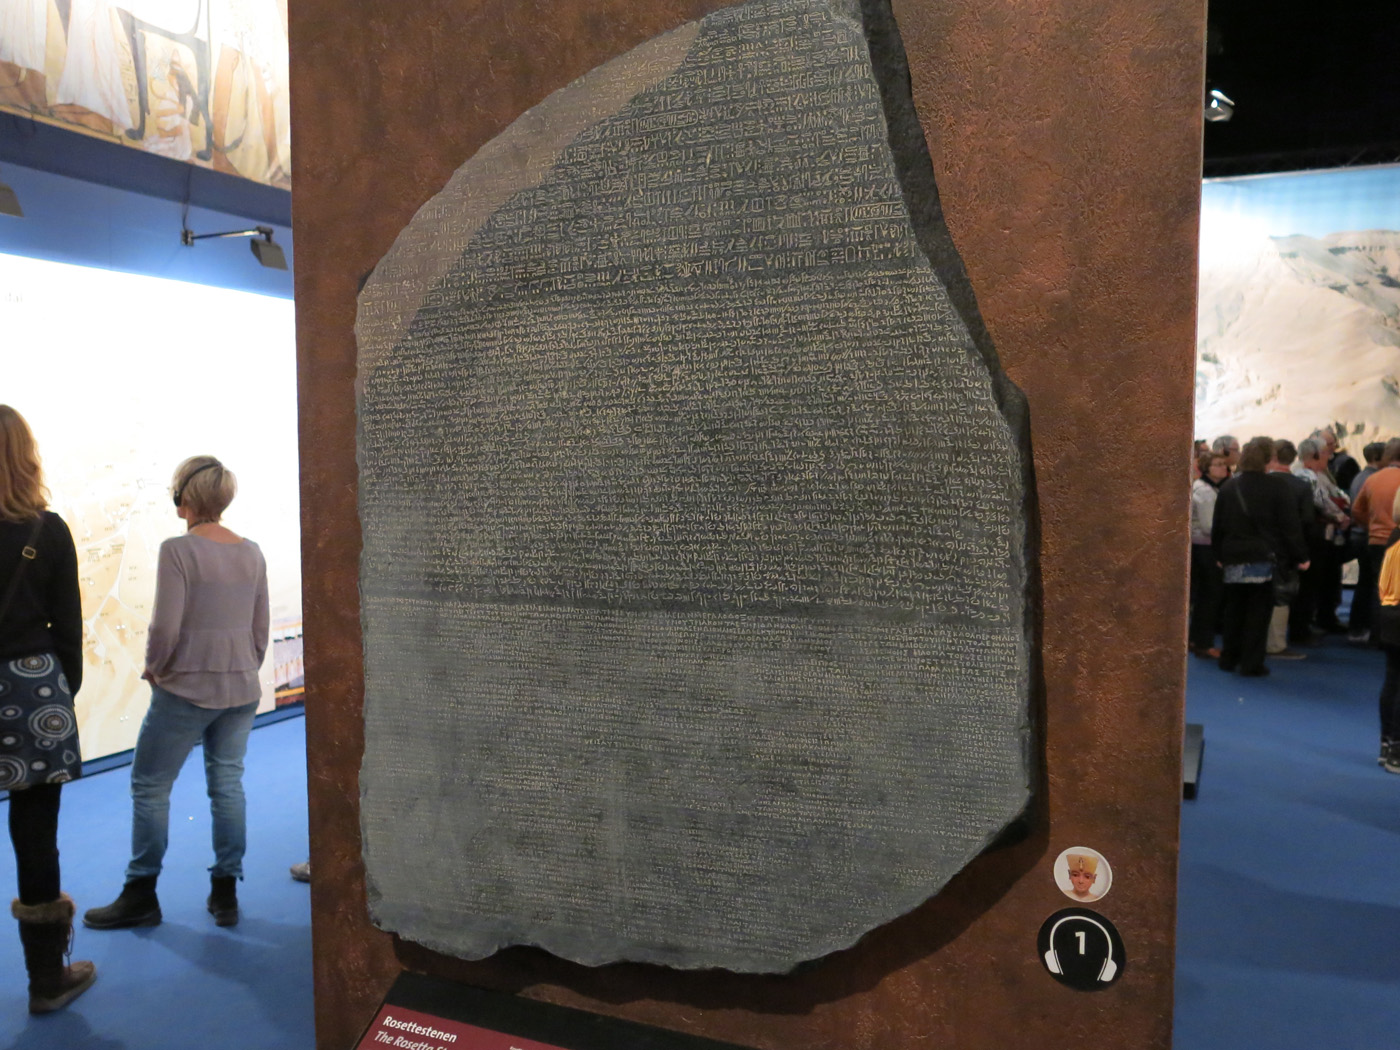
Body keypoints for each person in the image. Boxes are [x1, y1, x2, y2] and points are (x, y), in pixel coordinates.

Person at [84, 456, 269, 931]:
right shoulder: (252, 553)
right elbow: (260, 630)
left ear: (183, 497)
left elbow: (165, 626)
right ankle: (225, 893)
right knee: (227, 785)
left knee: (150, 786)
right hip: (241, 687)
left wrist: (156, 666)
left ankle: (141, 892)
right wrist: (241, 666)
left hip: (186, 688)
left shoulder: (178, 551)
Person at [0, 405, 96, 1013]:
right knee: (36, 830)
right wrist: (61, 693)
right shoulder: (47, 530)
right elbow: (69, 627)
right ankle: (46, 980)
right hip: (33, 691)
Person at [1211, 437, 1309, 677]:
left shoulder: (1229, 487)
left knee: (1233, 609)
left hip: (1233, 554)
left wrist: (1218, 553)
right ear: (1268, 459)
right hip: (1263, 556)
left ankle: (1229, 657)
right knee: (1258, 612)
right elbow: (1290, 526)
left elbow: (1218, 525)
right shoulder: (1277, 487)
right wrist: (1300, 555)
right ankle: (1251, 663)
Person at [1264, 441, 1313, 660]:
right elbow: (1306, 522)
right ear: (1293, 458)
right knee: (1281, 597)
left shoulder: (1258, 483)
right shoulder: (1300, 486)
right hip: (1286, 550)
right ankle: (1276, 644)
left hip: (1259, 547)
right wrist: (1302, 553)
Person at [1352, 439, 1400, 638]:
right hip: (1397, 541)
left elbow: (1356, 509)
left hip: (1376, 541)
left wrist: (1371, 525)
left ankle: (1376, 633)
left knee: (1377, 588)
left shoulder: (1373, 479)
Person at [1371, 486, 1400, 773]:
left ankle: (1387, 744)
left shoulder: (1394, 536)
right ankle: (1397, 752)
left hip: (1389, 614)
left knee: (1393, 680)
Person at [1189, 450, 1229, 658]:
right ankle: (1204, 643)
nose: (1223, 468)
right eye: (1218, 464)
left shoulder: (1209, 488)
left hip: (1203, 547)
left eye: (1224, 464)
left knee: (1205, 598)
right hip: (1206, 548)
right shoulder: (1205, 491)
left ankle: (1196, 639)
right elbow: (1209, 526)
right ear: (1206, 468)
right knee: (1210, 598)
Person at [1348, 441, 1386, 643]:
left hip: (1362, 535)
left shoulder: (1361, 477)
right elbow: (1361, 511)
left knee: (1365, 583)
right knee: (1370, 585)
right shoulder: (1372, 479)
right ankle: (1366, 628)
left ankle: (1359, 627)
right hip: (1367, 536)